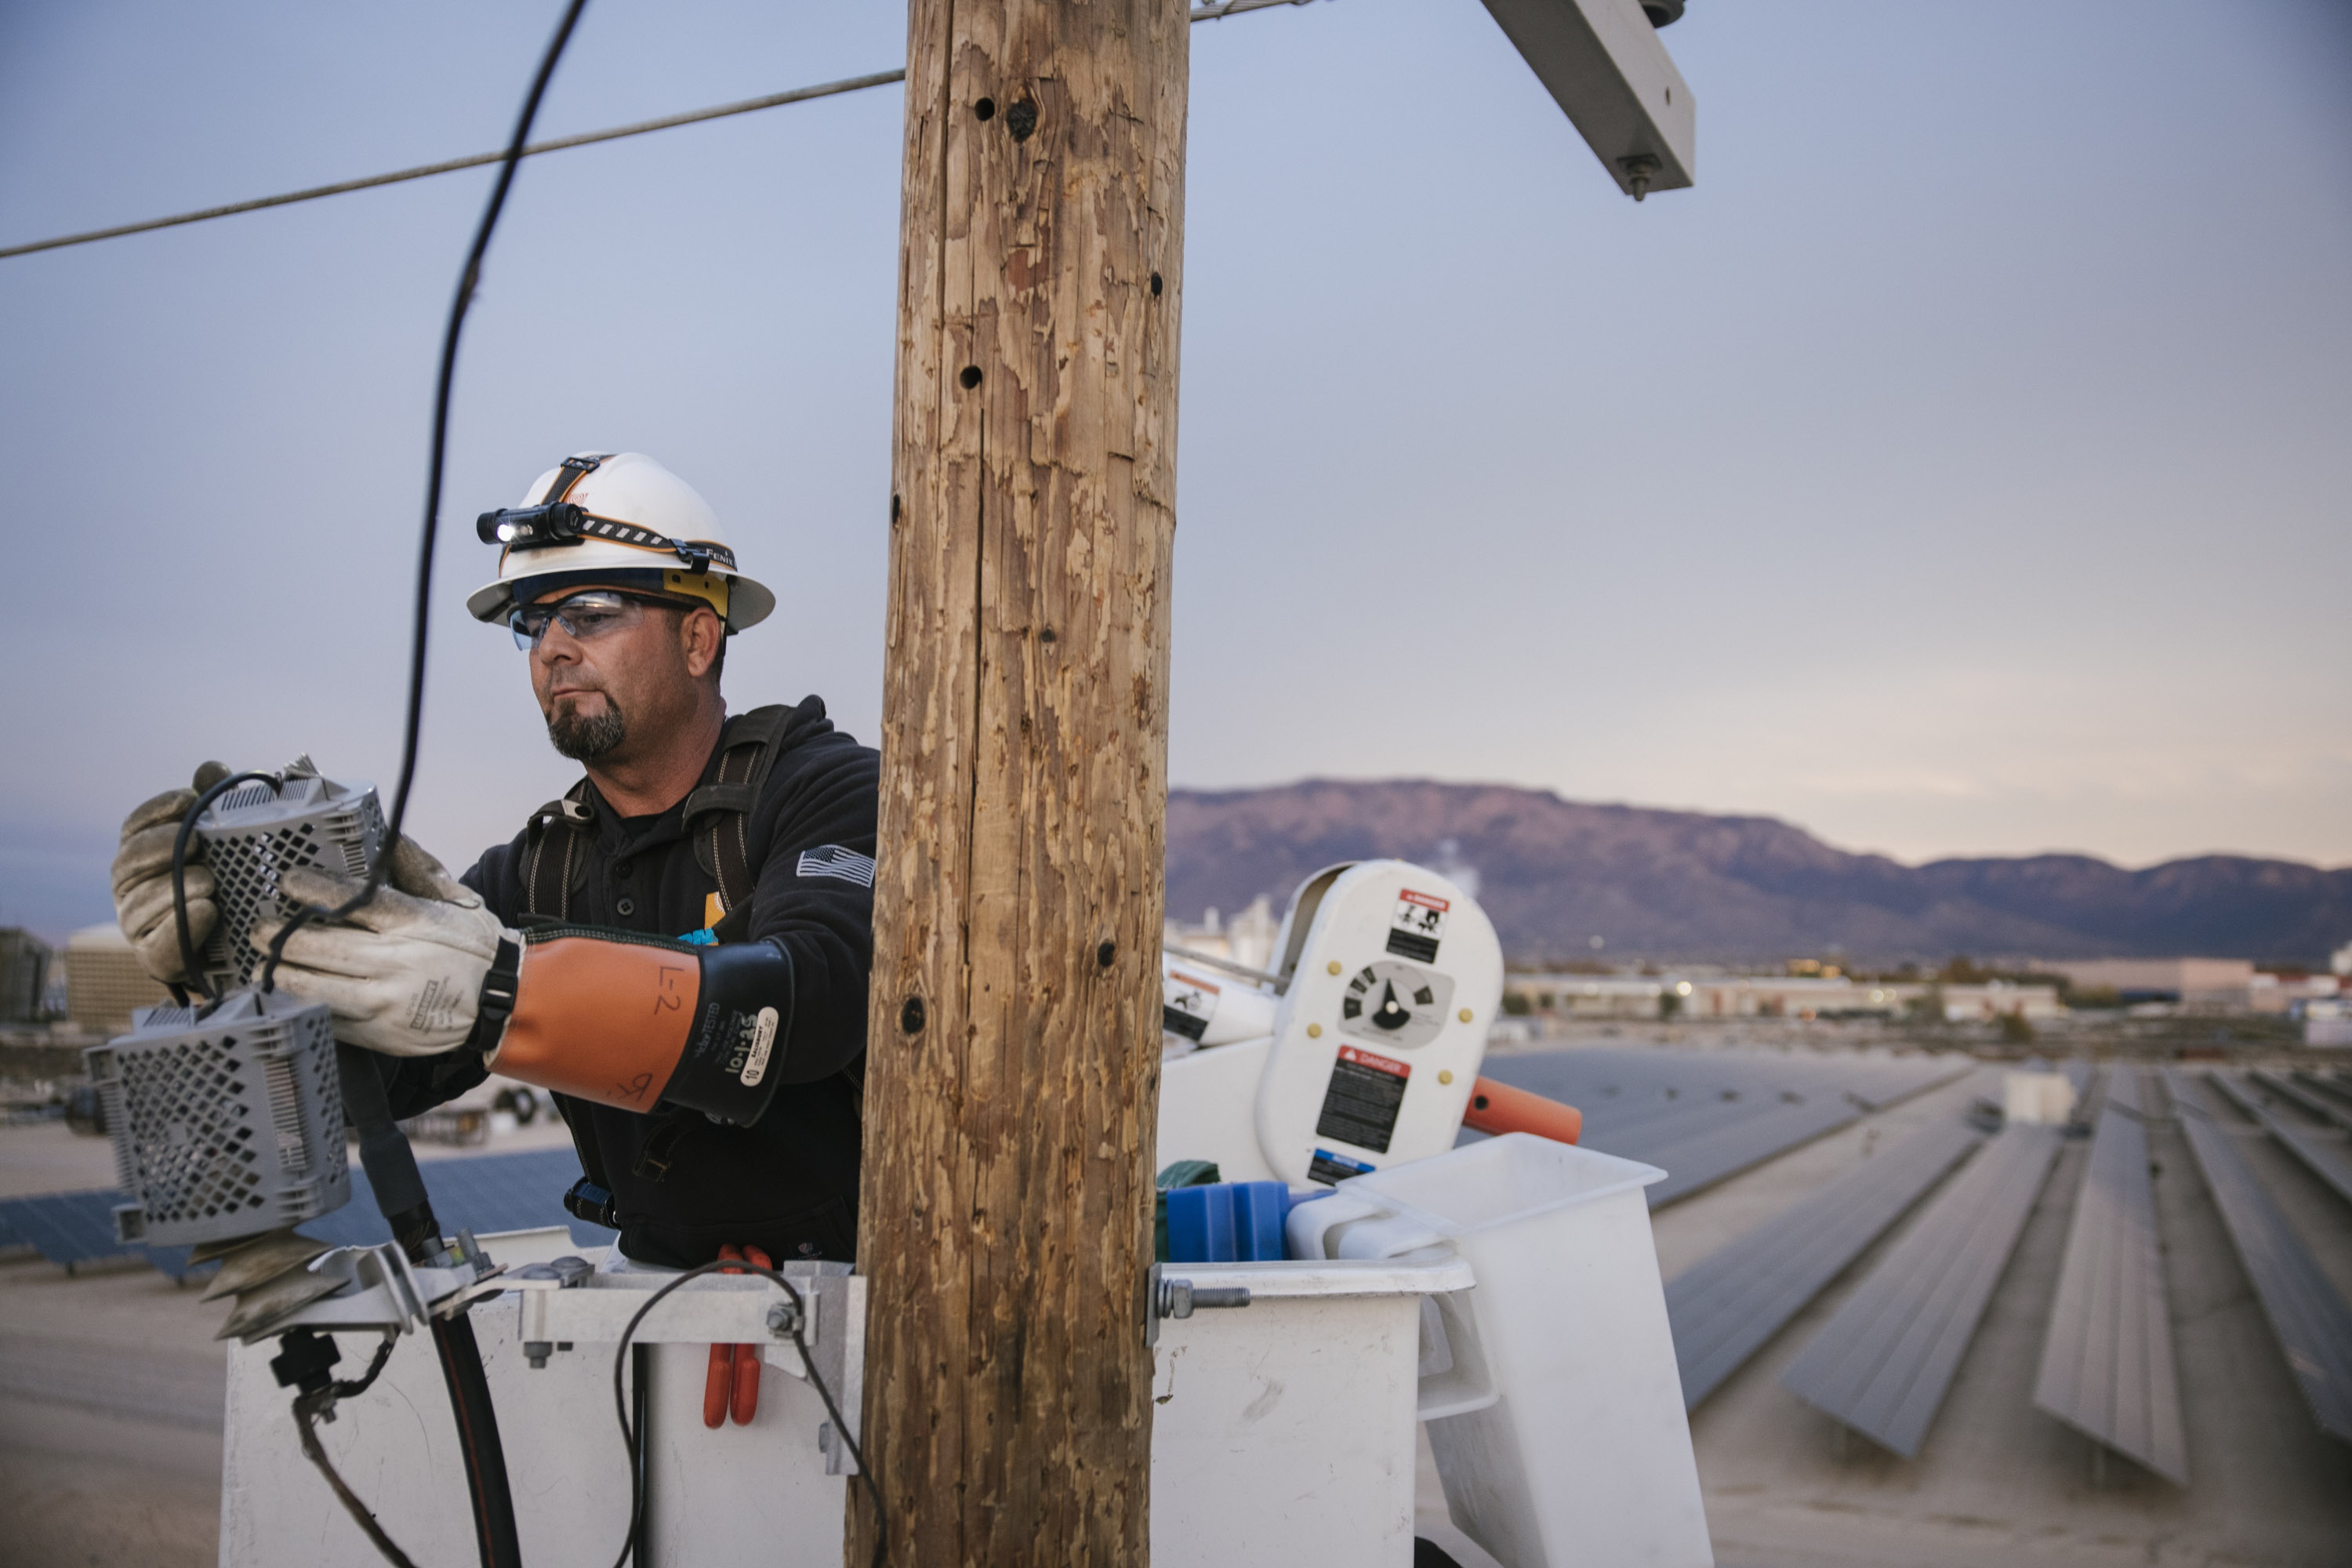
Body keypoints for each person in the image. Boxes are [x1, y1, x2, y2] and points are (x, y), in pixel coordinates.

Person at [109, 452, 878, 1271]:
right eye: (533, 621)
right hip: (656, 1295)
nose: (551, 647)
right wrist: (223, 976)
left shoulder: (827, 790)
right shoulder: (536, 875)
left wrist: (504, 993)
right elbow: (360, 1081)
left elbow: (814, 998)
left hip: (865, 1304)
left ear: (697, 637)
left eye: (588, 610)